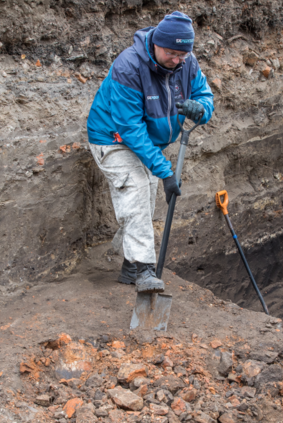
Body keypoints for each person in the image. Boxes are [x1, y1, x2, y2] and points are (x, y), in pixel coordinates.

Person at [87, 11, 214, 293]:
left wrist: (201, 109)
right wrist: (166, 170)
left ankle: (130, 264)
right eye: (171, 53)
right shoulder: (128, 67)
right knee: (137, 187)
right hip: (113, 137)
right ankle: (145, 270)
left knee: (143, 200)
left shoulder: (187, 63)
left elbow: (205, 95)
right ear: (156, 42)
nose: (177, 60)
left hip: (149, 143)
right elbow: (130, 128)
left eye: (183, 54)